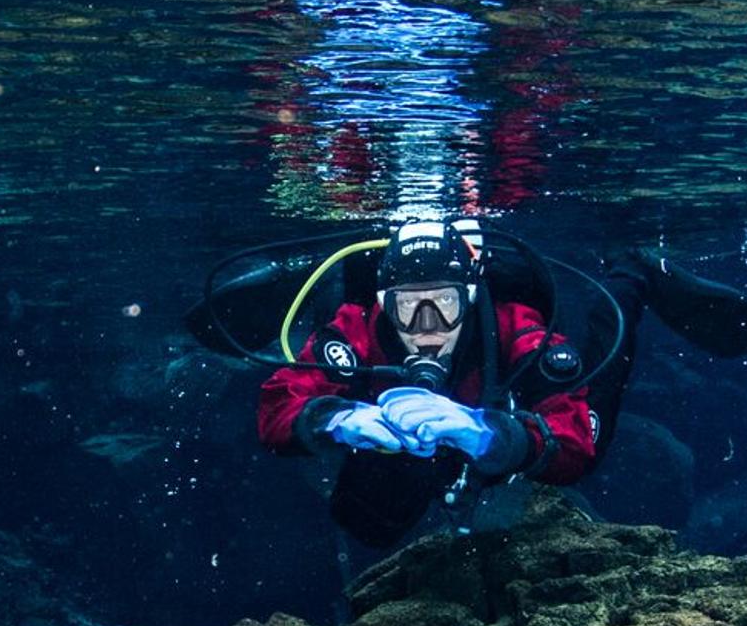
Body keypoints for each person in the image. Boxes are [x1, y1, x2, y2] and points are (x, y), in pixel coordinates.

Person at [254, 219, 599, 548]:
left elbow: (576, 442)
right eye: (407, 305)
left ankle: (633, 278)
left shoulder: (512, 325)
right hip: (397, 460)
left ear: (471, 297)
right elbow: (277, 407)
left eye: (446, 302)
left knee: (600, 428)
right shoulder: (357, 327)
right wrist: (337, 420)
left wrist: (491, 434)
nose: (427, 326)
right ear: (383, 305)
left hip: (498, 465)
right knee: (366, 527)